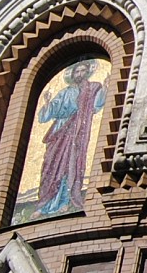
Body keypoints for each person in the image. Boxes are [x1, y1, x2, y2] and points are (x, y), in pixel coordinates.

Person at [14, 58, 110, 221]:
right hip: (60, 132)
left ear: (88, 72)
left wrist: (106, 87)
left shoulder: (93, 88)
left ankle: (66, 201)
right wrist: (46, 103)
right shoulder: (65, 92)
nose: (79, 74)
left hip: (78, 134)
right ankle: (45, 204)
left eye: (82, 71)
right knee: (51, 166)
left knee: (70, 166)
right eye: (77, 71)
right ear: (72, 74)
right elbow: (48, 114)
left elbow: (97, 105)